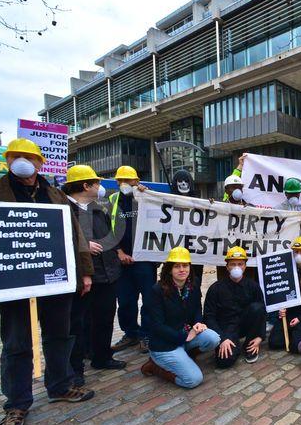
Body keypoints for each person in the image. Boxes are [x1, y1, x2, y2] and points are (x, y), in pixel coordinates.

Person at [0, 138, 95, 425]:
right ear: (7, 160)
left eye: (29, 157)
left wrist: (84, 273)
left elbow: (76, 238)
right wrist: (10, 257)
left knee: (59, 335)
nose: (23, 161)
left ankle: (59, 385)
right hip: (15, 286)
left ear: (41, 163)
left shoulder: (56, 196)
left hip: (57, 282)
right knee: (17, 344)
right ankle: (16, 403)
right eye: (16, 156)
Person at [63, 165, 126, 387]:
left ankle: (102, 357)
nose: (100, 187)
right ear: (85, 185)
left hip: (107, 275)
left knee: (105, 318)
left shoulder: (99, 210)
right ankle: (75, 368)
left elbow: (110, 237)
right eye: (96, 183)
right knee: (77, 324)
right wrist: (81, 245)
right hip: (82, 278)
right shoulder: (62, 210)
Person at [141, 247, 220, 388]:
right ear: (169, 269)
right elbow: (156, 326)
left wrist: (197, 323)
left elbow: (196, 308)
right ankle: (155, 367)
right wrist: (184, 337)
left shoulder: (193, 283)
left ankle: (186, 355)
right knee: (193, 380)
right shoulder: (157, 291)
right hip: (165, 344)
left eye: (185, 265)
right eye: (177, 266)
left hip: (185, 335)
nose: (182, 270)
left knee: (213, 338)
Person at [109, 165, 157, 355]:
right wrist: (119, 252)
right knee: (126, 300)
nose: (124, 184)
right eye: (120, 181)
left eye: (128, 181)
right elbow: (107, 230)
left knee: (149, 300)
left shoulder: (146, 197)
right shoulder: (113, 200)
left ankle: (146, 334)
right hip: (122, 260)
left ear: (137, 182)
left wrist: (149, 193)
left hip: (145, 259)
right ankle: (131, 333)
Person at [203, 246, 267, 367]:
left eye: (240, 264)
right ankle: (234, 347)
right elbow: (208, 316)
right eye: (233, 264)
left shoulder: (253, 286)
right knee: (224, 362)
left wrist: (260, 336)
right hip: (226, 329)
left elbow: (262, 311)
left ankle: (249, 345)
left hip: (245, 324)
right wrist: (221, 338)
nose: (236, 267)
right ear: (227, 267)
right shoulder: (215, 288)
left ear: (245, 266)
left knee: (257, 307)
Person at [170, 170, 204, 289]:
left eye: (186, 181)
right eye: (180, 181)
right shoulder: (167, 201)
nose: (183, 184)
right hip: (175, 252)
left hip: (195, 253)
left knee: (195, 287)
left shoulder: (201, 203)